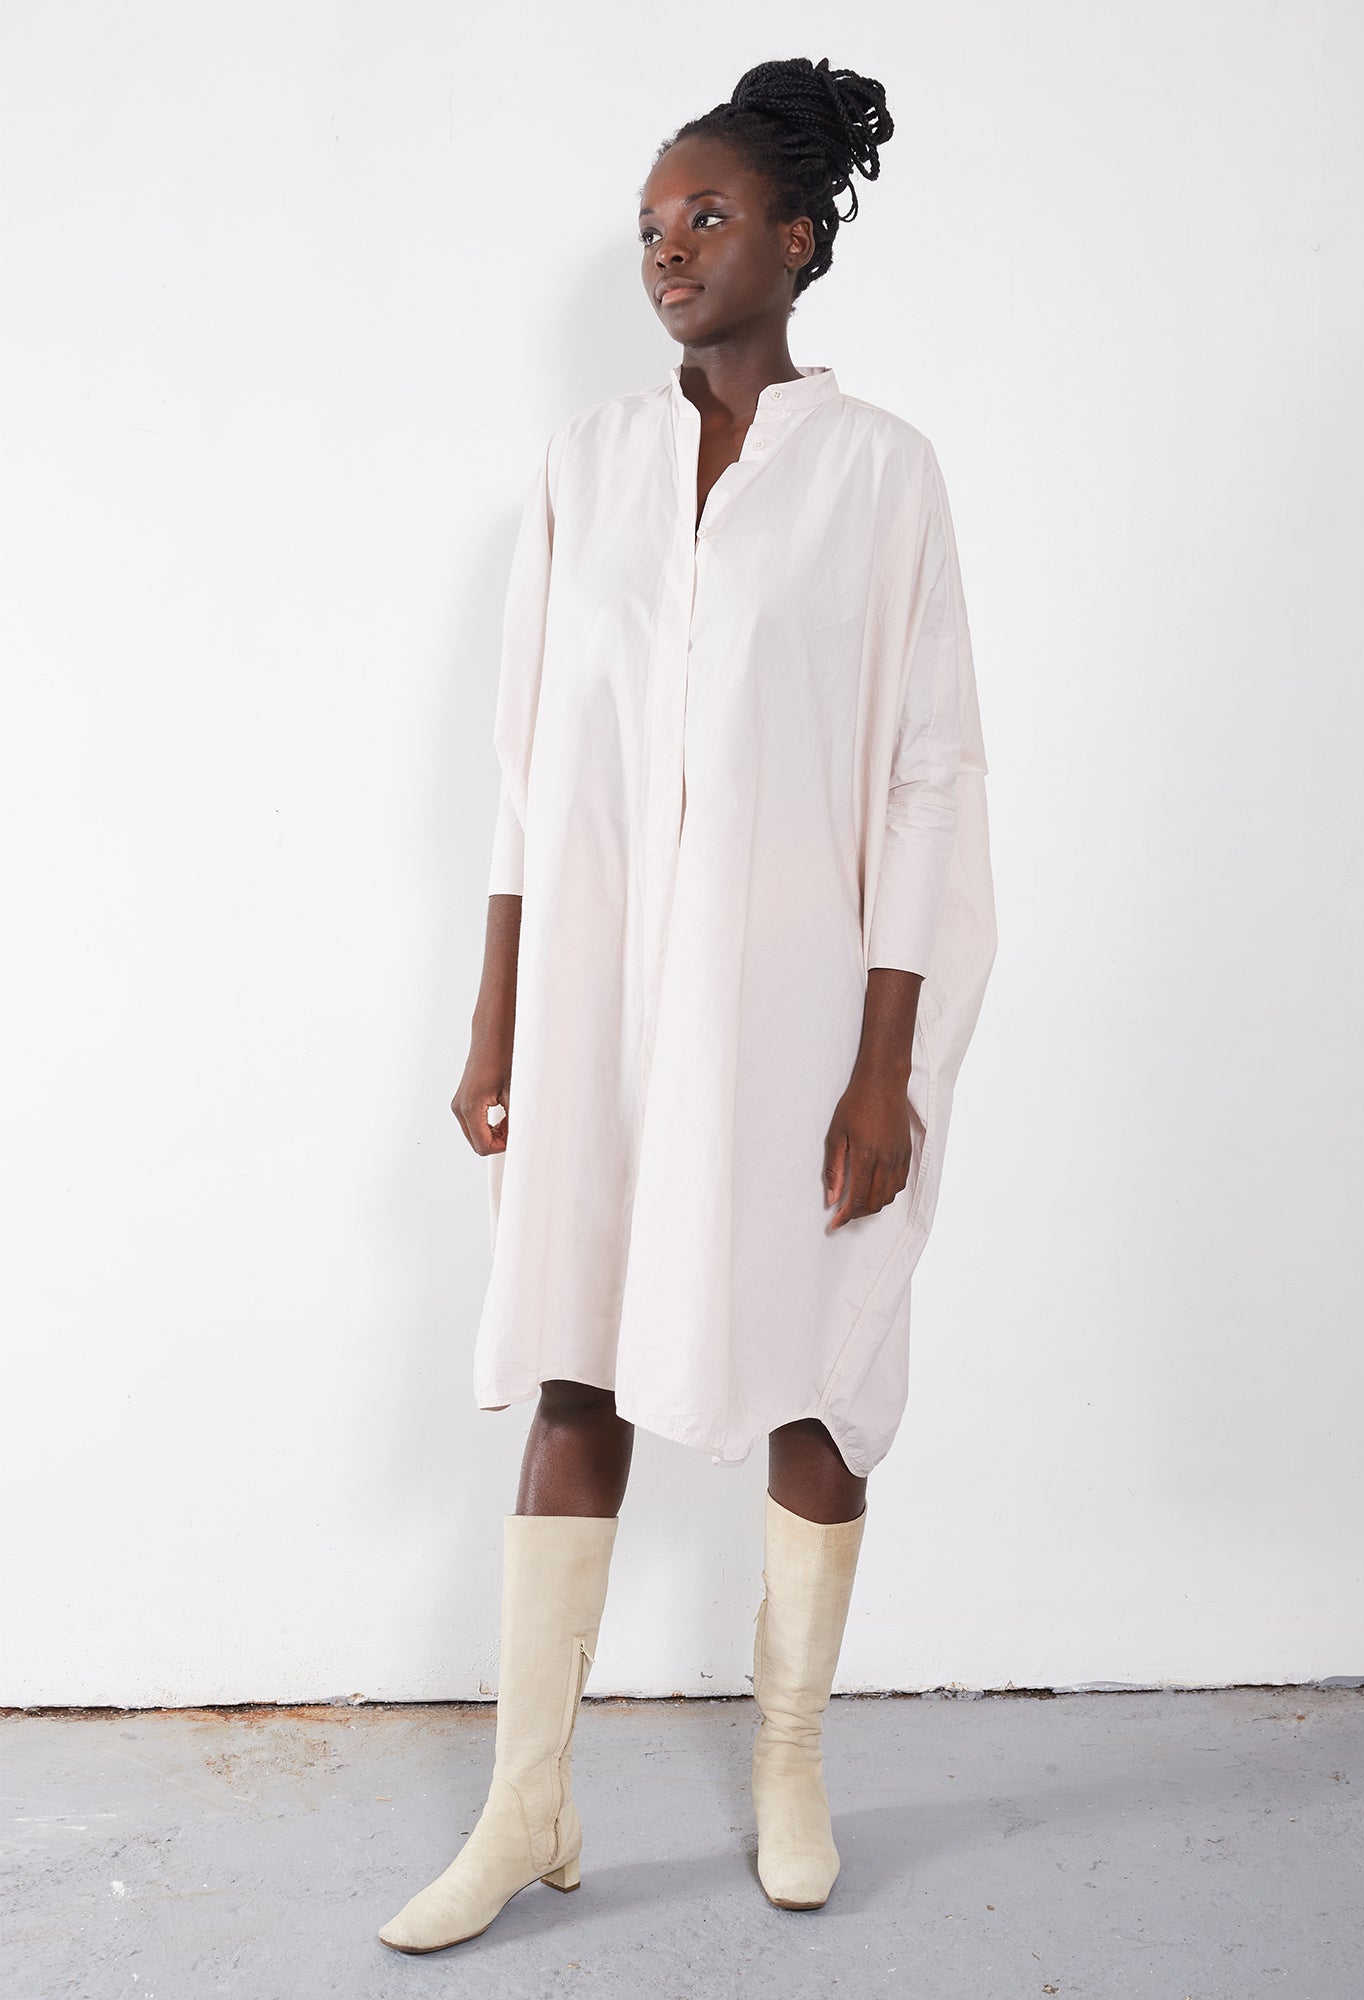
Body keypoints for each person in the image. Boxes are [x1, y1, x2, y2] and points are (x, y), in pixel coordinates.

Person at [378, 54, 998, 1954]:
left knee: (809, 1370)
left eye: (707, 217)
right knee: (575, 1359)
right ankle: (528, 1804)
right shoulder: (584, 465)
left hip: (792, 1012)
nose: (667, 249)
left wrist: (884, 1067)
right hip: (593, 1001)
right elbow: (523, 774)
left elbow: (928, 776)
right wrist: (495, 1019)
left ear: (797, 241)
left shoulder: (880, 473)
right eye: (651, 224)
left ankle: (788, 1764)